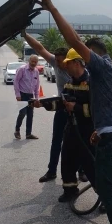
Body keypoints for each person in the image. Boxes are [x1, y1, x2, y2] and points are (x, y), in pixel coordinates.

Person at [37, 0, 112, 224]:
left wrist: (53, 9)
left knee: (106, 187)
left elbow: (75, 42)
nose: (81, 58)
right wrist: (99, 129)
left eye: (85, 55)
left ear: (94, 54)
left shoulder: (100, 67)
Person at [35, 48, 96, 202]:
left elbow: (98, 110)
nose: (64, 66)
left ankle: (105, 197)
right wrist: (43, 104)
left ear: (77, 63)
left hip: (88, 131)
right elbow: (63, 104)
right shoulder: (69, 83)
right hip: (72, 129)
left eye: (67, 63)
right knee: (67, 160)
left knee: (92, 165)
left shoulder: (92, 83)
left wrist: (75, 108)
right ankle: (70, 190)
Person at [22, 32, 73, 182]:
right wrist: (24, 35)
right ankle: (51, 171)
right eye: (55, 60)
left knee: (78, 141)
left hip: (77, 110)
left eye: (60, 61)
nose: (56, 63)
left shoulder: (78, 70)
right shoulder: (56, 64)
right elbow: (39, 48)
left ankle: (82, 170)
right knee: (56, 141)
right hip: (62, 109)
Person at [13, 55, 40, 140]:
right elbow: (16, 81)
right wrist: (18, 95)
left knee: (30, 115)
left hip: (31, 96)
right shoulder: (22, 69)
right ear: (29, 61)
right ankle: (17, 130)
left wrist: (36, 98)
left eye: (35, 62)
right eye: (32, 61)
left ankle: (28, 134)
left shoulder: (36, 71)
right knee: (22, 113)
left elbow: (37, 85)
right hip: (22, 94)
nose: (34, 63)